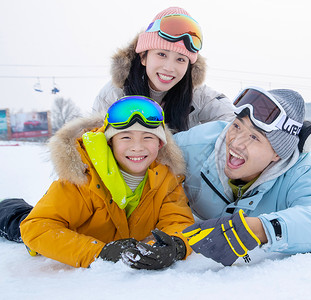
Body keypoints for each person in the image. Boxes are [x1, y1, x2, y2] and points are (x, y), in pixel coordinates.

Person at [0, 96, 194, 269]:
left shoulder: (167, 179)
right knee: (20, 222)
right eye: (126, 137)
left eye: (148, 137)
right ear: (110, 142)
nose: (137, 147)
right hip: (70, 234)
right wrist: (98, 253)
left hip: (114, 237)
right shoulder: (84, 177)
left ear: (160, 144)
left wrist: (175, 246)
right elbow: (36, 227)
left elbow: (178, 222)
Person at [175, 87, 311, 266]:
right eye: (236, 126)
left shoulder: (297, 172)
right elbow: (150, 157)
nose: (236, 142)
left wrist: (257, 229)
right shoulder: (196, 145)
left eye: (255, 137)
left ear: (277, 154)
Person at [93, 6, 235, 132]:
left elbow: (235, 122)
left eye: (180, 59)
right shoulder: (114, 95)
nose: (169, 68)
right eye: (162, 54)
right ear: (143, 57)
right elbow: (92, 142)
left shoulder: (198, 96)